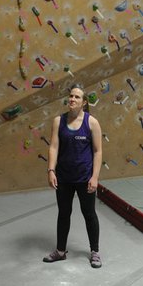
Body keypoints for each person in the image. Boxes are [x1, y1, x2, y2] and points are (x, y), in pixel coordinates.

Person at [43, 84, 103, 268]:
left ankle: (95, 252)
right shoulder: (58, 121)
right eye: (71, 96)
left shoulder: (92, 122)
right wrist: (51, 170)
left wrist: (95, 177)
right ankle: (61, 251)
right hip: (64, 178)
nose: (72, 99)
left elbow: (98, 151)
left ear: (84, 103)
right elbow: (53, 147)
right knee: (63, 213)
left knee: (89, 214)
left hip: (85, 178)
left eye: (77, 97)